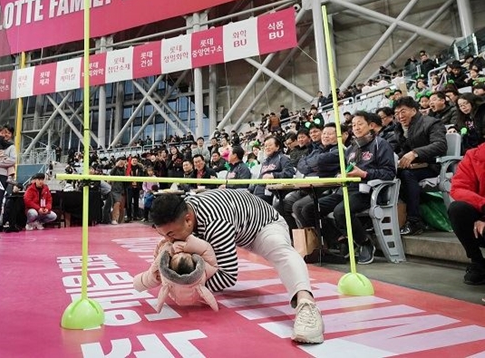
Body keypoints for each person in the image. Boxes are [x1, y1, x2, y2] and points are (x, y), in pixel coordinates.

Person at [150, 190, 324, 344]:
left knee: (279, 248)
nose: (169, 240)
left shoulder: (216, 223)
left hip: (264, 226)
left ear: (188, 220)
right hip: (236, 223)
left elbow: (228, 275)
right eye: (164, 234)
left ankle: (307, 305)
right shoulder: (184, 210)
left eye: (171, 234)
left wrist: (187, 287)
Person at [302, 111, 396, 264]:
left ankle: (365, 243)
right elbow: (346, 170)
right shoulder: (352, 148)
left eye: (360, 124)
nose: (356, 127)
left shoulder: (380, 144)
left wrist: (364, 174)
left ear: (371, 125)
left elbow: (389, 173)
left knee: (341, 211)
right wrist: (341, 175)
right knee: (308, 209)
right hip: (345, 189)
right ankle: (342, 240)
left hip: (368, 191)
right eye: (353, 125)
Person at [394, 96, 447, 235]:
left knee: (406, 175)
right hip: (414, 167)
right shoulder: (400, 128)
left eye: (403, 112)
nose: (400, 116)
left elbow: (440, 145)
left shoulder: (432, 123)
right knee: (392, 174)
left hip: (432, 166)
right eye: (397, 113)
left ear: (413, 110)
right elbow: (403, 150)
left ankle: (414, 221)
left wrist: (415, 153)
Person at [133, 234, 219, 312]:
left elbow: (149, 276)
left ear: (169, 264)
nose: (179, 252)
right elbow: (207, 251)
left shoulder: (162, 271)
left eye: (175, 257)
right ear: (195, 261)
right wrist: (187, 244)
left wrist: (165, 252)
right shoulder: (204, 269)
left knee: (153, 276)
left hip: (165, 254)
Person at [448, 142, 485, 285]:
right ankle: (478, 263)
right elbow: (458, 188)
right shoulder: (473, 155)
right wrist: (482, 207)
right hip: (480, 216)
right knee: (457, 209)